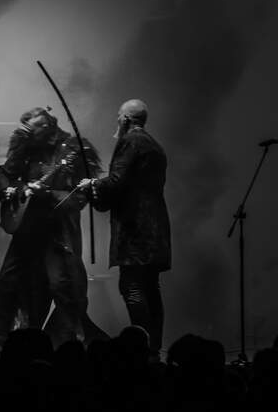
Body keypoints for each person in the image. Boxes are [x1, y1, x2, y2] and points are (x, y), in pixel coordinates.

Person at [0, 107, 107, 356]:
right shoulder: (26, 146)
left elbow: (80, 197)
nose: (28, 133)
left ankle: (67, 347)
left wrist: (48, 194)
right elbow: (3, 174)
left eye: (33, 128)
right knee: (7, 282)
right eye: (25, 129)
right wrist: (13, 190)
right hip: (27, 230)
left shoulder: (74, 150)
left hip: (57, 232)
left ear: (48, 126)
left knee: (62, 288)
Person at [79, 99, 171, 359]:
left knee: (131, 286)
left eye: (118, 116)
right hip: (156, 227)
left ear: (126, 119)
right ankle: (154, 349)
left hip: (135, 228)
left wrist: (92, 184)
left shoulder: (130, 141)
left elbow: (117, 181)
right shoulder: (155, 146)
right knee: (151, 287)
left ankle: (140, 349)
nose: (116, 121)